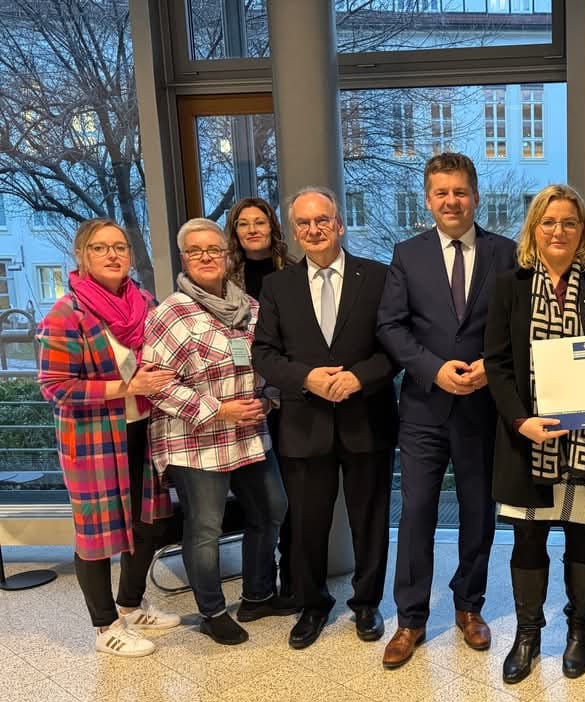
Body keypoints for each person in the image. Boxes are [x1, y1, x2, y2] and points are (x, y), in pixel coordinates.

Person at [485, 184, 585, 684]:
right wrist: (520, 420)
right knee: (528, 536)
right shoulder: (510, 285)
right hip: (528, 436)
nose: (559, 231)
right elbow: (498, 363)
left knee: (581, 532)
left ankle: (579, 632)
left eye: (569, 222)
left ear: (582, 230)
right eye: (549, 222)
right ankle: (528, 635)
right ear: (534, 228)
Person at [376, 153, 517, 669]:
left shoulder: (506, 253)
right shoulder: (407, 254)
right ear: (428, 199)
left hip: (483, 406)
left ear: (475, 196)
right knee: (415, 513)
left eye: (460, 192)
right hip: (424, 408)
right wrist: (433, 369)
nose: (451, 201)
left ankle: (469, 606)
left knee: (479, 511)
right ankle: (410, 618)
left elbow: (517, 324)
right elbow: (391, 327)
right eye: (441, 193)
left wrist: (490, 367)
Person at [252, 186, 399, 650]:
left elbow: (394, 348)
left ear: (338, 223)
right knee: (308, 525)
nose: (314, 230)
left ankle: (366, 604)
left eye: (323, 220)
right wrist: (306, 379)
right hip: (305, 423)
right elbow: (264, 353)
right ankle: (312, 605)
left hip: (366, 420)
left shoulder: (376, 277)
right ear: (294, 232)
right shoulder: (277, 286)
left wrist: (358, 378)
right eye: (304, 223)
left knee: (370, 521)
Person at [143, 218, 293, 646]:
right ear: (184, 259)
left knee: (272, 509)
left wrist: (267, 400)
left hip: (249, 433)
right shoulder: (170, 313)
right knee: (205, 526)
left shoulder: (250, 307)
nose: (206, 257)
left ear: (228, 256)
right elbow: (159, 386)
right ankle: (211, 611)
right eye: (195, 251)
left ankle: (257, 595)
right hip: (195, 441)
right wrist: (217, 410)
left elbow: (270, 363)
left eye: (214, 250)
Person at [37, 218, 180, 657]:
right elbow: (56, 387)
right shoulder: (66, 314)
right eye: (101, 248)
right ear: (82, 256)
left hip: (143, 430)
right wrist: (126, 388)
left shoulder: (146, 302)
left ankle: (132, 605)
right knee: (96, 536)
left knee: (148, 522)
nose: (113, 255)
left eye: (119, 247)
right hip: (94, 439)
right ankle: (105, 628)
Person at [225, 197, 295, 598]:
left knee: (288, 494)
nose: (252, 230)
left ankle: (291, 574)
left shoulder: (292, 272)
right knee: (261, 498)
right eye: (243, 224)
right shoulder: (224, 280)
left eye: (260, 222)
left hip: (286, 396)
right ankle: (260, 580)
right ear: (234, 231)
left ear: (272, 227)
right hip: (243, 401)